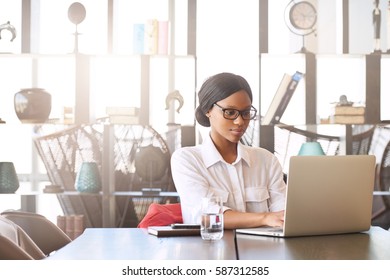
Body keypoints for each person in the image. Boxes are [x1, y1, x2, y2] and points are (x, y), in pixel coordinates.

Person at [171, 72, 286, 229]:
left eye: (245, 113)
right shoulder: (187, 159)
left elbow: (283, 215)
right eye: (230, 112)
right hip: (208, 250)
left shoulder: (266, 160)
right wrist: (264, 218)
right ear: (208, 110)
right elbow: (205, 217)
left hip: (262, 251)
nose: (240, 121)